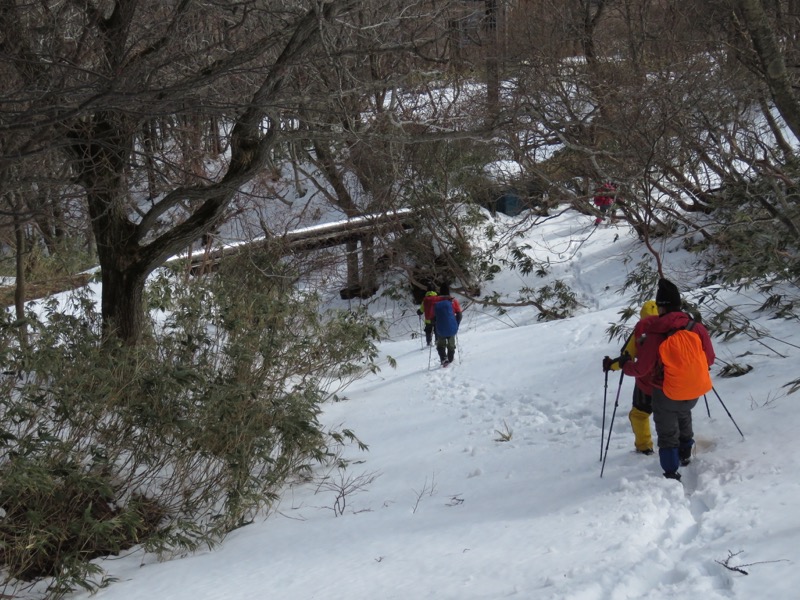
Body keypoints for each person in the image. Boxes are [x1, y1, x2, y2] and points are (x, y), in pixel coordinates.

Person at [619, 279, 715, 481]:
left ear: (661, 307)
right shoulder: (696, 328)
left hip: (665, 393)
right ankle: (685, 455)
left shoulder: (656, 332)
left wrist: (623, 365)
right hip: (695, 390)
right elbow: (710, 359)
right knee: (683, 415)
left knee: (667, 431)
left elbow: (641, 368)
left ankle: (671, 472)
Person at [602, 300, 660, 455]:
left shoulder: (641, 330)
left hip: (646, 384)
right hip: (672, 382)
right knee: (674, 414)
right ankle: (681, 447)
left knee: (639, 414)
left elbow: (625, 357)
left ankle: (644, 447)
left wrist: (610, 366)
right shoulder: (673, 326)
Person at [425, 284, 462, 367]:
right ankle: (451, 358)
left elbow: (432, 317)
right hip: (451, 326)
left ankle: (443, 358)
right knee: (451, 343)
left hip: (440, 327)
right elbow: (459, 315)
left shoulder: (435, 302)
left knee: (441, 344)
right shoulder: (453, 301)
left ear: (440, 291)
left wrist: (434, 323)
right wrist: (456, 324)